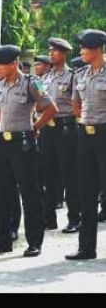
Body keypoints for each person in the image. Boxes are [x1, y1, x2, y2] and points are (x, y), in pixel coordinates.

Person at [0, 45, 57, 258]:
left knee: (30, 193)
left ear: (13, 64)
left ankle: (34, 241)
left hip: (23, 142)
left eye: (0, 64)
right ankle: (3, 239)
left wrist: (35, 126)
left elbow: (51, 108)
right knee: (2, 192)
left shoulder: (31, 83)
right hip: (2, 142)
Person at [66, 30, 106, 260]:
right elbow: (75, 104)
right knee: (86, 191)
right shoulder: (80, 74)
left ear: (97, 49)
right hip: (85, 135)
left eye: (84, 48)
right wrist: (85, 121)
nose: (81, 52)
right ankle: (86, 247)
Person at [41, 38, 78, 234]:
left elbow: (78, 103)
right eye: (50, 51)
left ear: (64, 54)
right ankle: (49, 219)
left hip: (65, 127)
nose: (51, 54)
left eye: (55, 51)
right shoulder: (45, 78)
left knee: (69, 174)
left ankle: (74, 218)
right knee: (48, 173)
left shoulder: (73, 76)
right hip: (48, 129)